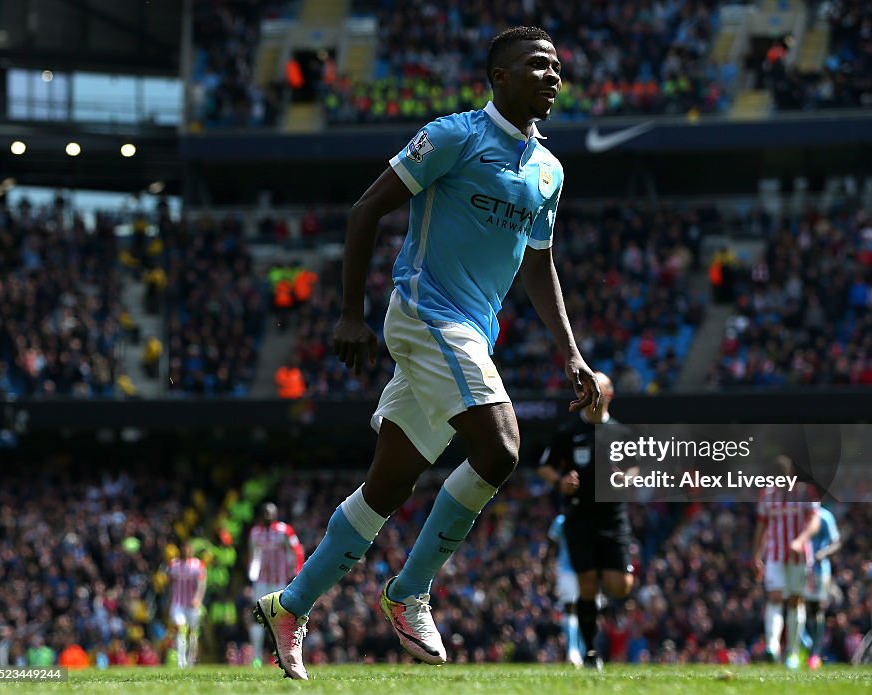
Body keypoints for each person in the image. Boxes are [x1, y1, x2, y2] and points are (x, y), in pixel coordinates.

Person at [255, 26, 600, 681]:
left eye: (558, 66)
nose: (553, 76)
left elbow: (540, 265)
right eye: (536, 65)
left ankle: (289, 605)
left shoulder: (549, 170)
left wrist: (572, 354)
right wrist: (350, 313)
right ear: (499, 76)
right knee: (500, 448)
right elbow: (366, 211)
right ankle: (409, 590)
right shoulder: (452, 136)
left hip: (471, 330)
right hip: (424, 314)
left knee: (389, 483)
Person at [537, 372, 633, 670]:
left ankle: (604, 590)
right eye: (588, 390)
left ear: (609, 395)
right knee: (587, 584)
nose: (593, 395)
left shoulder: (622, 434)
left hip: (612, 517)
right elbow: (545, 467)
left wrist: (623, 479)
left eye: (598, 390)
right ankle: (591, 652)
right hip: (579, 518)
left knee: (620, 586)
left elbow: (635, 469)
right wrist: (561, 482)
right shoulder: (569, 432)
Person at [752, 455, 820, 669]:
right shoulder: (767, 496)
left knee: (795, 601)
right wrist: (756, 555)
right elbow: (761, 527)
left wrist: (801, 540)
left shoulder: (805, 493)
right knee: (774, 597)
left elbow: (815, 521)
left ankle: (791, 652)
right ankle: (772, 647)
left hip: (798, 556)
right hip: (775, 555)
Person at [248, 503, 304, 667]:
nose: (267, 515)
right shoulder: (255, 532)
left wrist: (296, 574)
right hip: (260, 582)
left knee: (280, 619)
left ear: (276, 514)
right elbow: (252, 556)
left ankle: (281, 655)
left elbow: (297, 551)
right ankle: (256, 657)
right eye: (264, 512)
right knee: (257, 618)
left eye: (270, 513)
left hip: (279, 582)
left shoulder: (284, 530)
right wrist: (250, 578)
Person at [805, 505, 841, 670]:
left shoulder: (825, 516)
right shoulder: (799, 515)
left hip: (820, 571)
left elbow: (836, 542)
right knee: (801, 608)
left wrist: (823, 553)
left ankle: (815, 653)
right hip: (800, 569)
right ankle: (805, 646)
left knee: (817, 609)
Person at [547, 513, 584, 668]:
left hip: (586, 571)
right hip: (566, 571)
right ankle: (572, 652)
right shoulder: (561, 520)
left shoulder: (590, 518)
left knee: (584, 611)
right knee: (570, 609)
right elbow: (550, 545)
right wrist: (544, 569)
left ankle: (583, 652)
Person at [167, 541, 207, 668]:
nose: (186, 551)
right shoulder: (173, 565)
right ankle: (181, 660)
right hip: (178, 603)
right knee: (180, 629)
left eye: (188, 548)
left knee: (193, 632)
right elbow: (169, 584)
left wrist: (198, 598)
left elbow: (202, 584)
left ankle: (191, 660)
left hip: (192, 604)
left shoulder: (198, 565)